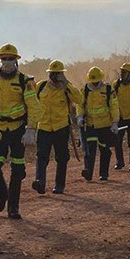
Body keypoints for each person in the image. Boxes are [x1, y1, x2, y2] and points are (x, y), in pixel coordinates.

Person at [0, 44, 41, 219]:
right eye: (4, 59)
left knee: (18, 170)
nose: (7, 62)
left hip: (18, 130)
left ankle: (13, 208)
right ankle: (3, 194)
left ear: (16, 60)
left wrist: (31, 129)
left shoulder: (25, 81)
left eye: (10, 59)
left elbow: (34, 107)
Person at [33, 60, 82, 194]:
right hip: (43, 127)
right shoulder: (41, 86)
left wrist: (66, 83)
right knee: (41, 156)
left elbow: (79, 100)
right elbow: (32, 103)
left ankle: (59, 185)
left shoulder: (67, 89)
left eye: (57, 74)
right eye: (52, 74)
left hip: (61, 127)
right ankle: (40, 182)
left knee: (62, 157)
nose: (54, 76)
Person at [78, 66, 120, 182]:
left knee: (105, 150)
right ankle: (88, 173)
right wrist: (80, 117)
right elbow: (80, 105)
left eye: (96, 81)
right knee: (90, 150)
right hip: (90, 125)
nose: (95, 83)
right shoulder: (85, 90)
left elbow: (114, 106)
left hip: (105, 126)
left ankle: (104, 174)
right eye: (93, 81)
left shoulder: (108, 89)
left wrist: (115, 122)